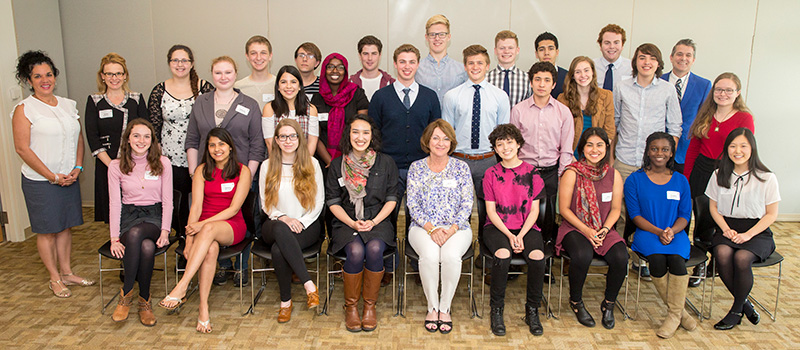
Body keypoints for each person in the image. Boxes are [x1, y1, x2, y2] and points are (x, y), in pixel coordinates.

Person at [12, 50, 94, 298]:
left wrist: (77, 168)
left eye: (48, 74)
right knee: (47, 230)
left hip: (68, 177)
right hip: (41, 181)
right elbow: (22, 148)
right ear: (29, 80)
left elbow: (77, 136)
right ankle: (54, 277)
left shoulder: (68, 104)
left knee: (65, 227)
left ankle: (67, 272)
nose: (44, 80)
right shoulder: (24, 109)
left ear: (55, 77)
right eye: (37, 76)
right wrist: (51, 176)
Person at [159, 128, 251, 334]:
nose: (217, 149)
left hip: (231, 225)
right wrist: (190, 242)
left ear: (230, 146)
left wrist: (201, 226)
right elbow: (196, 208)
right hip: (203, 231)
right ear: (207, 148)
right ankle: (203, 309)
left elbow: (234, 209)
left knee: (208, 228)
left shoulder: (242, 171)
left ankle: (182, 286)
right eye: (212, 145)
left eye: (221, 144)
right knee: (209, 250)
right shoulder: (201, 170)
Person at [185, 56, 264, 287]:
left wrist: (246, 176)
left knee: (242, 216)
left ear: (235, 73)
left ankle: (240, 267)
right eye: (218, 73)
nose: (223, 77)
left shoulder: (249, 104)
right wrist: (194, 173)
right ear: (212, 75)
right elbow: (192, 138)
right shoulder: (201, 102)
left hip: (239, 174)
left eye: (228, 72)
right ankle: (221, 266)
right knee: (210, 212)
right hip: (208, 172)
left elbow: (257, 144)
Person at [325, 114, 398, 332]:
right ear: (348, 135)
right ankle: (351, 307)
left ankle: (369, 307)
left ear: (372, 136)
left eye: (366, 132)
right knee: (356, 251)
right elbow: (333, 201)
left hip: (379, 220)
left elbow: (392, 199)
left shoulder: (386, 162)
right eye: (355, 131)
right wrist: (353, 222)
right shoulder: (337, 164)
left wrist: (373, 221)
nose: (360, 137)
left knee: (374, 248)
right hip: (346, 220)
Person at [615, 43, 681, 281]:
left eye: (651, 59)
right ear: (635, 61)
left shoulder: (667, 89)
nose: (646, 63)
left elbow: (674, 127)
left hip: (654, 164)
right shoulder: (622, 87)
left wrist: (665, 159)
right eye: (642, 58)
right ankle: (620, 257)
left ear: (658, 63)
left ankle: (643, 258)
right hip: (624, 158)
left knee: (648, 212)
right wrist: (612, 157)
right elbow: (615, 122)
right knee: (620, 211)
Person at [625, 132, 696, 338]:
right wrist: (658, 232)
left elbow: (684, 215)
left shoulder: (681, 181)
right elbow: (635, 215)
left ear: (672, 153)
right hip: (647, 232)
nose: (659, 153)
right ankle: (680, 314)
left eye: (665, 149)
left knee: (676, 261)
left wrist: (671, 231)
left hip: (676, 233)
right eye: (654, 148)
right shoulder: (634, 180)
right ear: (647, 151)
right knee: (656, 260)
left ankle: (673, 315)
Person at [707, 128, 779, 330]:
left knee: (742, 258)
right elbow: (713, 207)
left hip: (757, 231)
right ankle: (746, 304)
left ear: (752, 149)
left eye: (743, 146)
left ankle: (736, 310)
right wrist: (726, 229)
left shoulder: (767, 177)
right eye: (732, 146)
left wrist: (748, 234)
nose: (737, 151)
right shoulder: (719, 174)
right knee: (721, 253)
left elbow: (771, 214)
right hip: (727, 227)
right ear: (726, 149)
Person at [556, 127, 627, 330]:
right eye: (589, 145)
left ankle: (609, 304)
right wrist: (588, 231)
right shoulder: (572, 172)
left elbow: (615, 209)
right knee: (582, 254)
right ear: (582, 148)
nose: (594, 150)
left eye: (599, 145)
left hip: (604, 228)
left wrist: (603, 230)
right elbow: (564, 210)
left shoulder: (614, 175)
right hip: (575, 227)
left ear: (606, 147)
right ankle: (576, 302)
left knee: (621, 257)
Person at [406, 120, 473, 334]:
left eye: (445, 138)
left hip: (457, 228)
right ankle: (432, 307)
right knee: (430, 256)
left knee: (451, 257)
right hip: (422, 227)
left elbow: (467, 203)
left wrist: (451, 229)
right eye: (435, 137)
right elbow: (412, 204)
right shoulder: (416, 167)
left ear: (451, 142)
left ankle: (445, 308)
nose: (440, 143)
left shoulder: (461, 167)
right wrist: (431, 228)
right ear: (427, 141)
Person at [483, 124, 546, 337]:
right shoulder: (490, 174)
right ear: (495, 149)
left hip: (526, 226)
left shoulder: (532, 172)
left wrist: (521, 234)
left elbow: (535, 209)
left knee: (538, 257)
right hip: (497, 227)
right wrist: (510, 235)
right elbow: (490, 211)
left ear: (518, 144)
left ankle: (532, 310)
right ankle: (497, 310)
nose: (505, 147)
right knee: (503, 254)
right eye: (499, 144)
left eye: (509, 142)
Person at [107, 119, 173, 326]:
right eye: (136, 135)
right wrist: (114, 238)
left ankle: (126, 294)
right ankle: (144, 301)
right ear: (128, 138)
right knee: (145, 246)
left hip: (154, 217)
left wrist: (165, 231)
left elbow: (168, 201)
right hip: (128, 216)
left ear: (152, 140)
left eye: (146, 136)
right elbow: (114, 204)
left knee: (138, 235)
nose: (141, 140)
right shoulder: (115, 165)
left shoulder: (163, 163)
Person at [259, 119, 323, 323]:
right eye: (283, 136)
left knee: (279, 249)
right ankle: (309, 285)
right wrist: (284, 218)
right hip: (274, 222)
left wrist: (302, 222)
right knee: (280, 229)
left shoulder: (312, 163)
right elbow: (265, 203)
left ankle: (285, 302)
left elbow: (319, 201)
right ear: (276, 140)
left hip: (306, 225)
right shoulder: (267, 165)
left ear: (299, 138)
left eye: (292, 136)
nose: (288, 140)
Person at [442, 44, 510, 236]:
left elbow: (504, 134)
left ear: (488, 65)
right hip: (459, 159)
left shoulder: (500, 96)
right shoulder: (452, 96)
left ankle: (485, 249)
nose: (475, 67)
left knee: (487, 209)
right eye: (471, 63)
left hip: (488, 160)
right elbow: (447, 133)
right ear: (465, 66)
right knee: (453, 206)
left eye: (480, 63)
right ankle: (457, 249)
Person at [148, 44, 214, 237]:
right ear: (169, 63)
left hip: (202, 156)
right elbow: (154, 127)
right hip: (171, 159)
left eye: (184, 60)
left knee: (203, 201)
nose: (180, 64)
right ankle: (184, 242)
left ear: (192, 63)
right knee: (178, 203)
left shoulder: (204, 88)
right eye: (175, 60)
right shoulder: (160, 90)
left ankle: (203, 240)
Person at [85, 53, 148, 223]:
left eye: (119, 73)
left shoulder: (136, 99)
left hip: (135, 165)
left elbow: (147, 132)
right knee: (114, 213)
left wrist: (134, 163)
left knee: (136, 211)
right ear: (102, 76)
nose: (115, 78)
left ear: (125, 75)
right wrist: (113, 165)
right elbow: (92, 136)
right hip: (107, 164)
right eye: (110, 74)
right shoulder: (95, 101)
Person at [684, 72, 754, 199]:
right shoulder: (704, 114)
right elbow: (693, 150)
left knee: (720, 215)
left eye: (728, 90)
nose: (722, 94)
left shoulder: (744, 118)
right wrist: (686, 178)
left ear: (737, 93)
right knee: (700, 214)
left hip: (727, 172)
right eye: (719, 90)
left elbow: (745, 153)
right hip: (700, 171)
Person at [510, 61, 573, 198]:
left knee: (548, 218)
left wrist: (562, 176)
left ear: (554, 84)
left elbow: (566, 149)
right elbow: (512, 146)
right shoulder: (518, 111)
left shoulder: (563, 112)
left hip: (551, 173)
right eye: (537, 79)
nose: (542, 84)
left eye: (547, 80)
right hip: (524, 171)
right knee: (523, 217)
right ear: (531, 83)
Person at [660, 39, 712, 174]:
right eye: (679, 54)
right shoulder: (658, 80)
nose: (683, 58)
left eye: (688, 55)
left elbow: (705, 119)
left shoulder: (704, 85)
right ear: (671, 57)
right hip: (657, 148)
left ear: (693, 59)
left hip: (686, 152)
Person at [311, 53, 369, 167]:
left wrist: (349, 159)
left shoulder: (357, 94)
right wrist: (331, 162)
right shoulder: (317, 98)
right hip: (324, 161)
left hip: (353, 159)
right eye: (330, 66)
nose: (335, 71)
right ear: (324, 70)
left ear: (345, 71)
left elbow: (363, 130)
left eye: (340, 67)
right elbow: (314, 135)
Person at [557, 56, 615, 156]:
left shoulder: (606, 96)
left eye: (586, 70)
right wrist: (569, 157)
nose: (583, 75)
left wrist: (598, 153)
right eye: (578, 72)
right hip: (571, 154)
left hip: (596, 154)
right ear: (573, 76)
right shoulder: (563, 99)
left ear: (593, 72)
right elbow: (559, 132)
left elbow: (609, 130)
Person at [262, 65, 319, 156]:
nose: (288, 86)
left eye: (293, 82)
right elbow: (270, 143)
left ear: (300, 86)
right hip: (277, 161)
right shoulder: (269, 108)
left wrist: (303, 165)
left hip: (303, 162)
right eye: (283, 82)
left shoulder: (311, 109)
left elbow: (312, 142)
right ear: (278, 87)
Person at [416, 14, 467, 105]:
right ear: (426, 37)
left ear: (449, 37)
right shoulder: (417, 68)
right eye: (432, 34)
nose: (437, 38)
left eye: (442, 34)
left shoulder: (462, 69)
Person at [486, 30, 532, 107]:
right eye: (502, 48)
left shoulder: (527, 79)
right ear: (495, 51)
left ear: (517, 50)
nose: (506, 51)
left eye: (510, 48)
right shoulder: (486, 79)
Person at [235, 35, 276, 112]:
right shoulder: (238, 87)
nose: (258, 58)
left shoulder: (280, 85)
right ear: (247, 56)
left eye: (263, 53)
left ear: (270, 56)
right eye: (253, 53)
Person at [350, 35, 395, 100]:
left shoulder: (392, 84)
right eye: (365, 54)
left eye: (374, 53)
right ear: (360, 56)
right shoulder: (350, 84)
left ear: (380, 55)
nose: (370, 58)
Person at [594, 24, 632, 93]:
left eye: (616, 43)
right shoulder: (591, 67)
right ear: (600, 45)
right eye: (607, 43)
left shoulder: (632, 68)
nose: (611, 46)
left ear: (622, 45)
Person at [534, 32, 569, 99]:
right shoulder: (529, 77)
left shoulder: (568, 77)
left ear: (557, 52)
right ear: (536, 54)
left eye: (550, 49)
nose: (546, 53)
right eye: (541, 49)